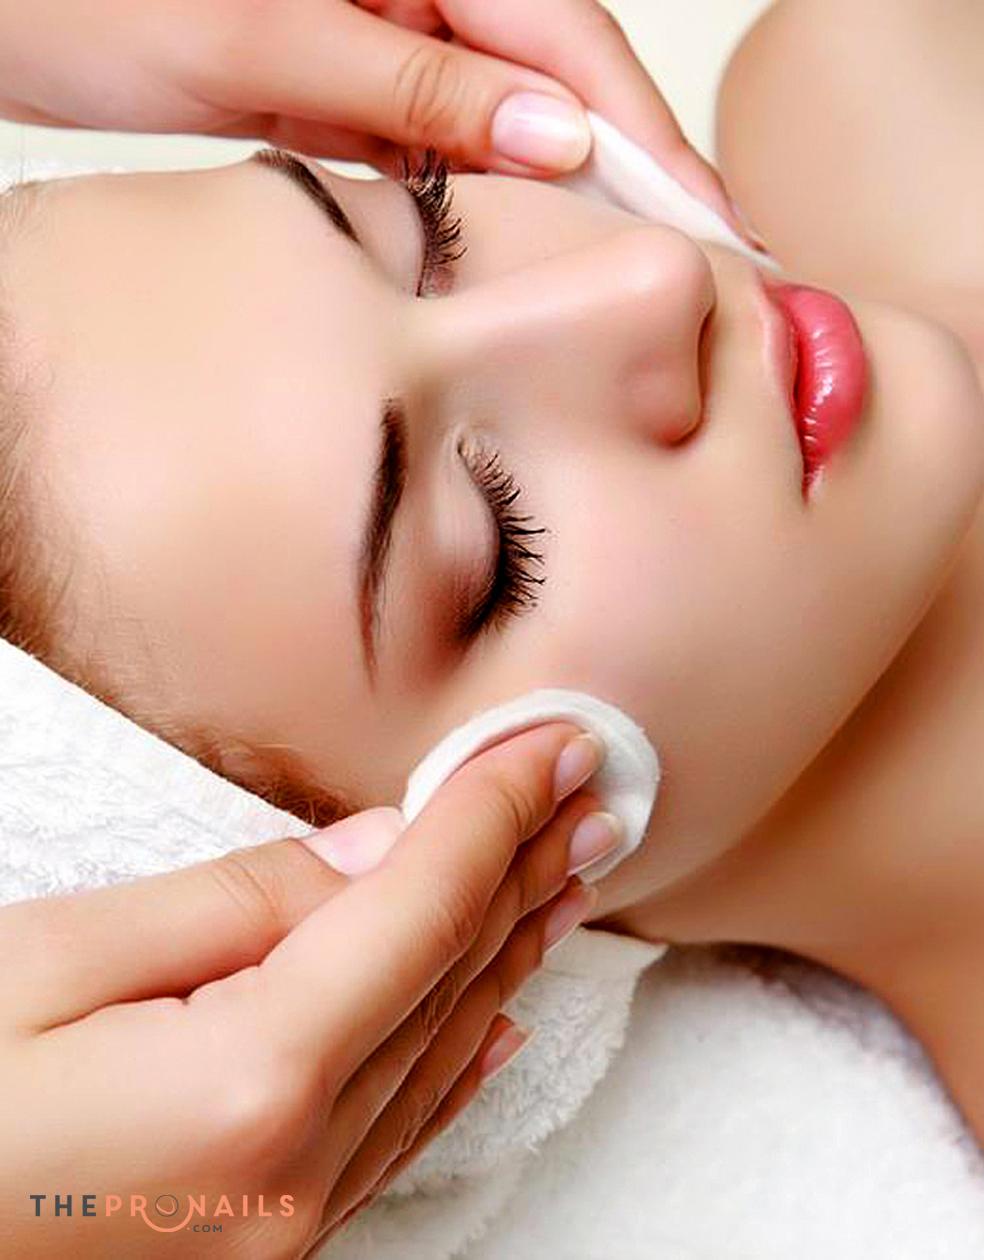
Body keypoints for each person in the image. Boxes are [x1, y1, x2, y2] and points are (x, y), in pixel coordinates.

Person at [4, 0, 984, 1249]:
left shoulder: (866, 73)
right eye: (494, 543)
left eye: (426, 227)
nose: (650, 283)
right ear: (431, 942)